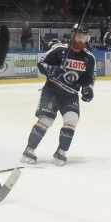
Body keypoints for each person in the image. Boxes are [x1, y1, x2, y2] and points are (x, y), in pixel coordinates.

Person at [20, 24, 96, 166]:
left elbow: (89, 77)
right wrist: (53, 70)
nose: (80, 39)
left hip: (70, 94)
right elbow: (41, 63)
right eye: (78, 36)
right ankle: (29, 150)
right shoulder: (59, 50)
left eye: (83, 37)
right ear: (73, 35)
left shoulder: (89, 57)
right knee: (45, 121)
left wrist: (88, 89)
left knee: (72, 120)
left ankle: (61, 152)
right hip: (52, 91)